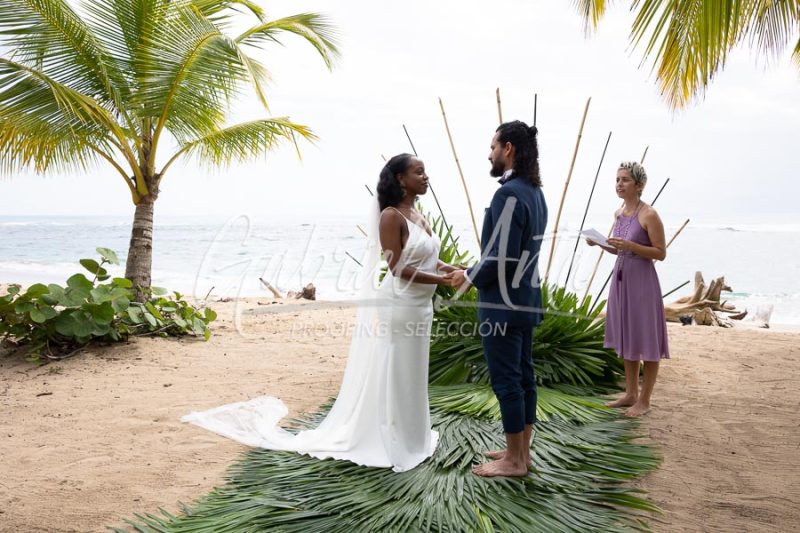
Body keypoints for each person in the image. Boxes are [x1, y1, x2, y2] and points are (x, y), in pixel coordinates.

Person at [182, 154, 458, 472]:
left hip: (421, 306)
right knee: (398, 369)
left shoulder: (419, 215)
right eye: (418, 172)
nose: (426, 177)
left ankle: (414, 436)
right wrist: (442, 279)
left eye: (425, 171)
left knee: (413, 371)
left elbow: (429, 260)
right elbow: (397, 268)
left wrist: (456, 270)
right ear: (400, 179)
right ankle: (392, 438)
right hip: (401, 304)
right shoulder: (391, 217)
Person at [446, 121, 548, 478]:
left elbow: (501, 257)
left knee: (507, 380)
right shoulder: (535, 191)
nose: (489, 154)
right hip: (527, 298)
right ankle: (521, 450)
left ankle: (515, 461)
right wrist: (473, 268)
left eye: (492, 147)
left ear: (508, 149)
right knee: (524, 377)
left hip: (502, 305)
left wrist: (468, 276)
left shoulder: (507, 194)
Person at [585, 161, 669, 417]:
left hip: (642, 281)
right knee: (628, 336)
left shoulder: (649, 215)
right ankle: (630, 393)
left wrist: (631, 247)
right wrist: (600, 243)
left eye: (625, 180)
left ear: (639, 185)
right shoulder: (619, 213)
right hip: (621, 280)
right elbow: (619, 247)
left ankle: (645, 400)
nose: (619, 184)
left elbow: (660, 252)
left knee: (647, 339)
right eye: (618, 179)